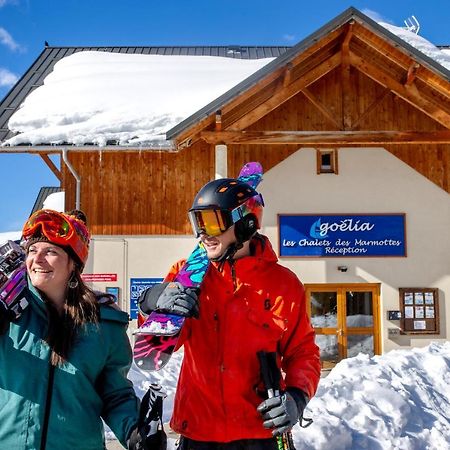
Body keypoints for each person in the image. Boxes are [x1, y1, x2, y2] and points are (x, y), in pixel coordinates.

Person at [139, 174, 321, 450]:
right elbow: (163, 343)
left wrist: (296, 397)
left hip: (260, 431)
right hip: (199, 431)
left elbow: (302, 353)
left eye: (212, 222)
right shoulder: (186, 275)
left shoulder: (284, 285)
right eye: (198, 223)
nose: (203, 233)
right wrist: (151, 302)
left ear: (246, 224)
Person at [0, 209, 158, 450]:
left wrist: (134, 431)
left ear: (74, 263)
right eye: (32, 250)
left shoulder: (103, 325)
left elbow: (114, 394)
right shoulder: (10, 313)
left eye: (50, 251)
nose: (37, 259)